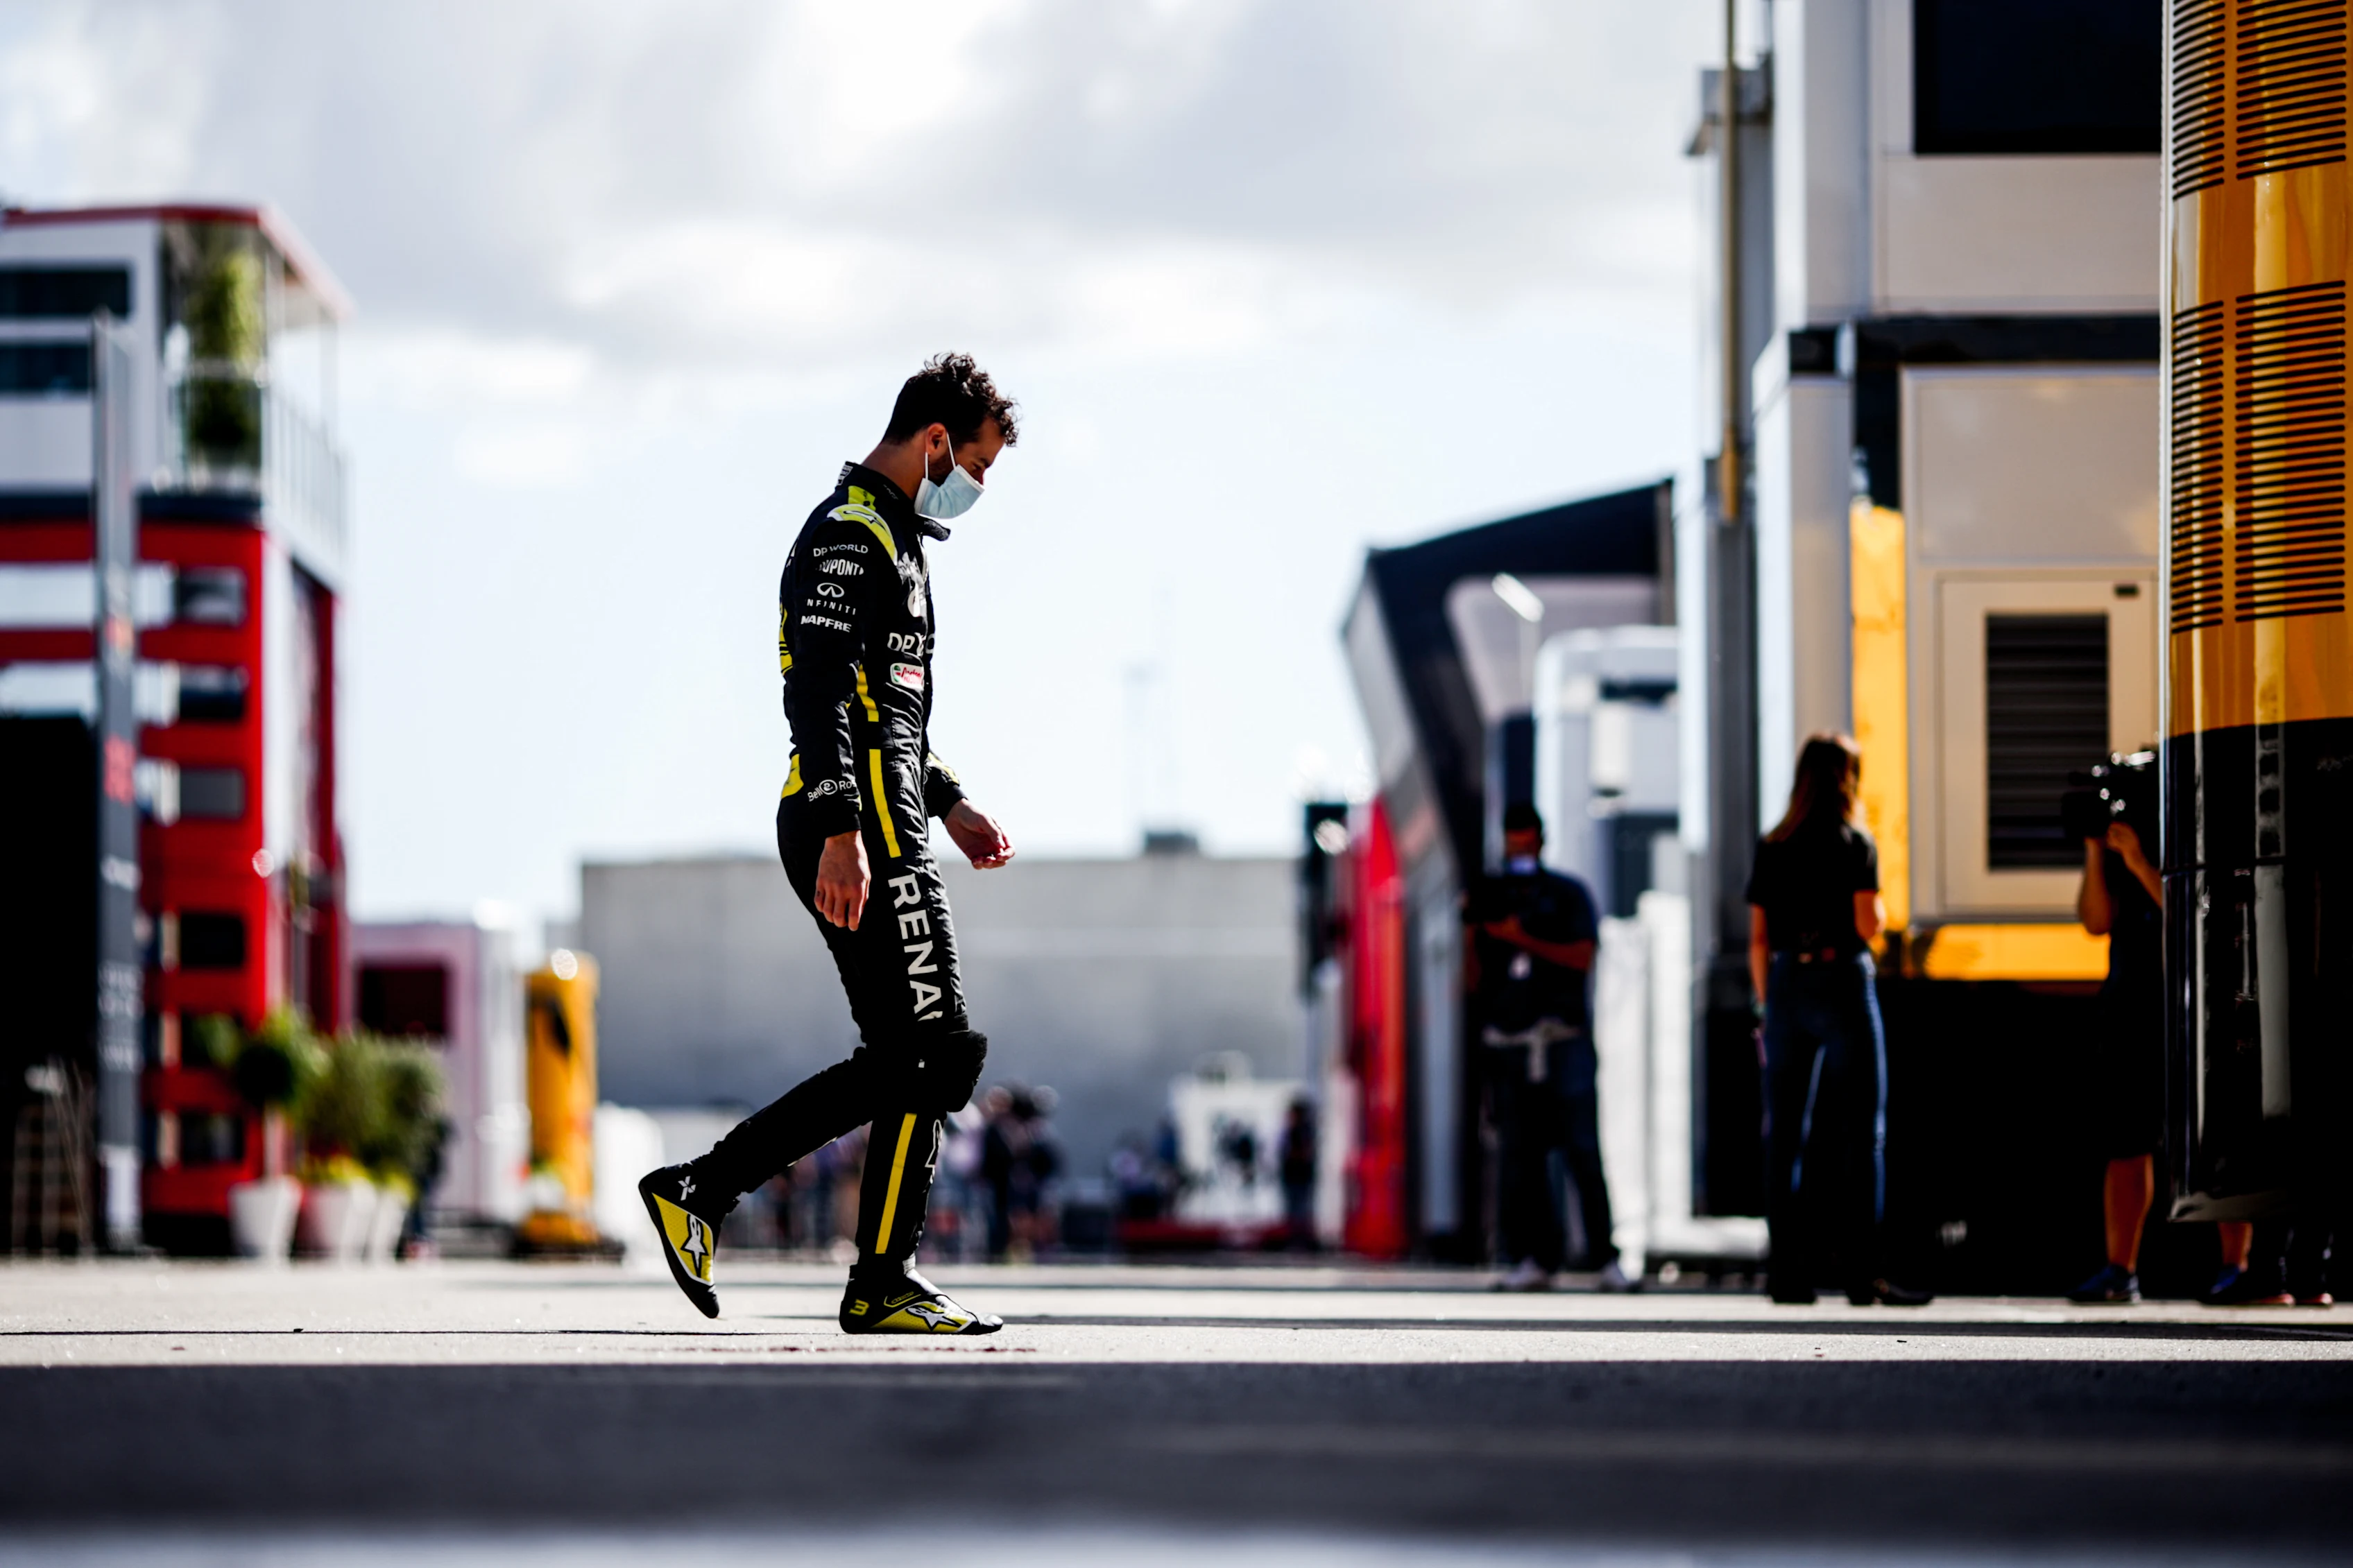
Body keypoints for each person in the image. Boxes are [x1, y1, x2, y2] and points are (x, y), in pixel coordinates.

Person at [638, 354, 1020, 1334]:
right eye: (976, 466)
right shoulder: (851, 534)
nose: (976, 489)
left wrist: (953, 800)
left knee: (914, 1056)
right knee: (938, 1053)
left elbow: (887, 712)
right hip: (856, 824)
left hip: (884, 815)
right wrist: (849, 828)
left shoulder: (899, 540)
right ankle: (865, 1271)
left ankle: (712, 1196)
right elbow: (816, 689)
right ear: (935, 440)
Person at [1748, 732, 1929, 1307]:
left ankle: (1785, 1274)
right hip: (1843, 982)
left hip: (1787, 983)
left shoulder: (1773, 844)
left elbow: (1757, 938)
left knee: (1785, 1136)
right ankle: (1863, 1275)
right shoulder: (1856, 842)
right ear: (1847, 778)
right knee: (1863, 1134)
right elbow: (1868, 924)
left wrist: (1766, 1004)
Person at [1468, 802, 1633, 1293]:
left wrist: (1525, 937)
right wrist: (1475, 929)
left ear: (1541, 839)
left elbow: (1584, 956)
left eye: (1526, 838)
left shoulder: (1567, 895)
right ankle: (1535, 1257)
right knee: (1522, 1156)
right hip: (1512, 1044)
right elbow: (1472, 981)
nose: (1519, 849)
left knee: (1583, 1149)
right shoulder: (1490, 895)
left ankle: (1605, 1258)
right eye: (1511, 839)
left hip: (1564, 1039)